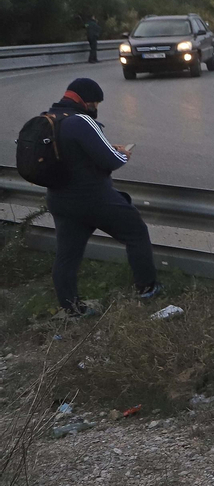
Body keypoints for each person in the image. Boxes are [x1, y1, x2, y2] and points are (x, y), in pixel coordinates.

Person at [42, 78, 163, 316]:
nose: (96, 107)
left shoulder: (49, 119)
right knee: (136, 232)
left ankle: (71, 309)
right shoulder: (81, 121)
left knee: (67, 255)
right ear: (87, 101)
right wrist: (123, 153)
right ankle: (148, 288)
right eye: (96, 102)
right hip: (94, 199)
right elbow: (111, 161)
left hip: (59, 199)